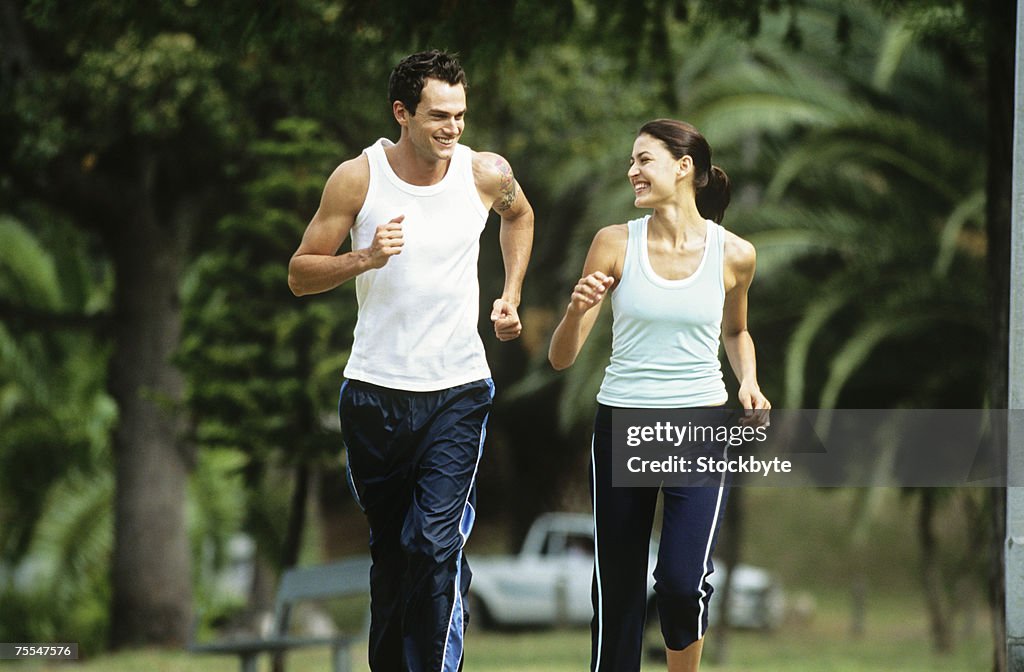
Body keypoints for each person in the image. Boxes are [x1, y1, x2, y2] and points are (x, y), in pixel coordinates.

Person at [288, 50, 533, 672]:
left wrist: (509, 294)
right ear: (402, 112)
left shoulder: (484, 172)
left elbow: (520, 216)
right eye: (438, 116)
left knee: (430, 543)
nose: (453, 129)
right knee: (395, 552)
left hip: (457, 389)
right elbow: (300, 273)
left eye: (460, 115)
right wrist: (363, 259)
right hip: (373, 392)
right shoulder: (357, 178)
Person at [548, 119, 769, 672]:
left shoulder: (735, 254)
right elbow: (561, 357)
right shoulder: (614, 243)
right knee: (618, 585)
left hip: (699, 424)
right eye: (632, 161)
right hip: (623, 421)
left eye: (643, 160)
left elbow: (736, 331)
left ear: (683, 167)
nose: (632, 172)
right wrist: (577, 309)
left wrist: (748, 381)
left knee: (681, 581)